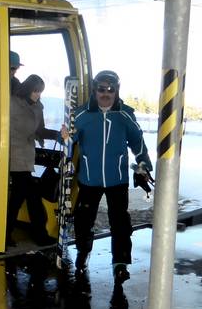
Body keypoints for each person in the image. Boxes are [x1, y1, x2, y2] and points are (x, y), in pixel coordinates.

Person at [60, 70, 152, 280]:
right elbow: (69, 141)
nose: (106, 93)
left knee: (120, 224)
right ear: (95, 90)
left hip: (117, 179)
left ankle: (120, 263)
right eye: (101, 89)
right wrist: (63, 136)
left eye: (110, 89)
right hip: (89, 179)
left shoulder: (125, 114)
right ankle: (83, 252)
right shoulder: (81, 115)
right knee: (84, 221)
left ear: (116, 91)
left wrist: (143, 165)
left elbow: (138, 142)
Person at [7, 74, 54, 246]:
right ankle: (39, 235)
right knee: (30, 197)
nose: (38, 95)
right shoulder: (12, 103)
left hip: (26, 156)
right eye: (35, 91)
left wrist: (58, 135)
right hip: (13, 155)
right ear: (28, 89)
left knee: (19, 198)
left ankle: (5, 235)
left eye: (40, 91)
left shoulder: (38, 107)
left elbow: (40, 130)